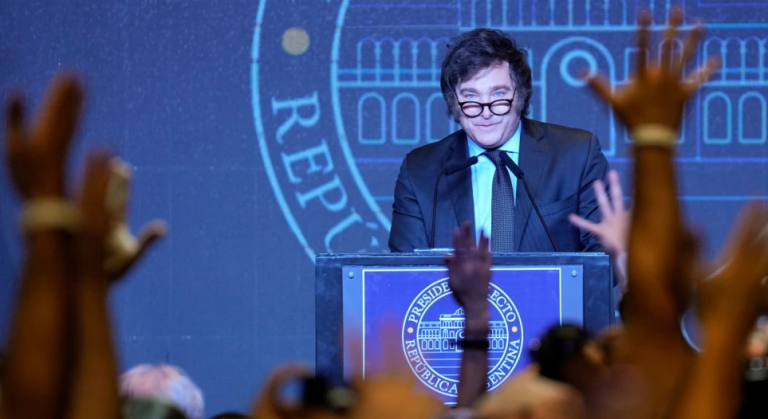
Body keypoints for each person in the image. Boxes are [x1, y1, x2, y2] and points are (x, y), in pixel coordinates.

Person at [388, 28, 609, 252]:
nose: (486, 112)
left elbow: (603, 255)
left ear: (521, 96)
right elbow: (406, 268)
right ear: (453, 103)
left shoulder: (577, 155)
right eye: (471, 96)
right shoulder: (420, 172)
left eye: (499, 95)